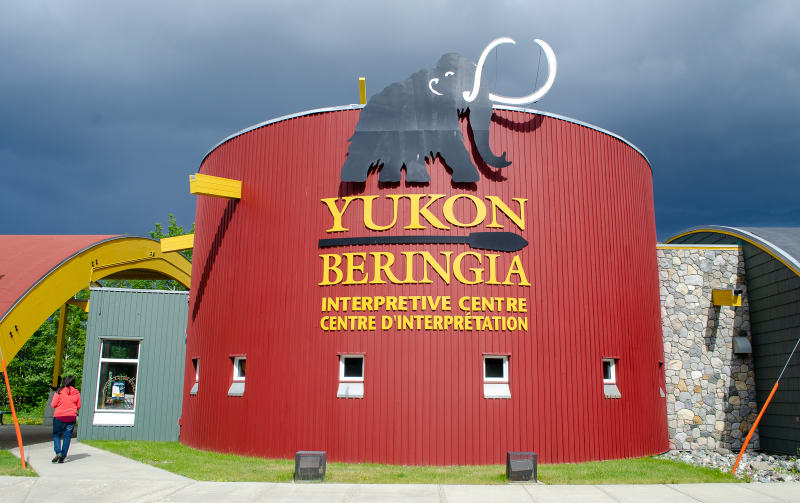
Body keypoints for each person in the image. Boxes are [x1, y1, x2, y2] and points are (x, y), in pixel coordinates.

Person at [51, 375, 81, 463]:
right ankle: (62, 457)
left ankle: (58, 452)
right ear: (73, 383)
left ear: (64, 382)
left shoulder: (59, 391)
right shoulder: (77, 393)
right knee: (67, 437)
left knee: (56, 435)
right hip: (71, 417)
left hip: (59, 417)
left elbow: (53, 405)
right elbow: (79, 406)